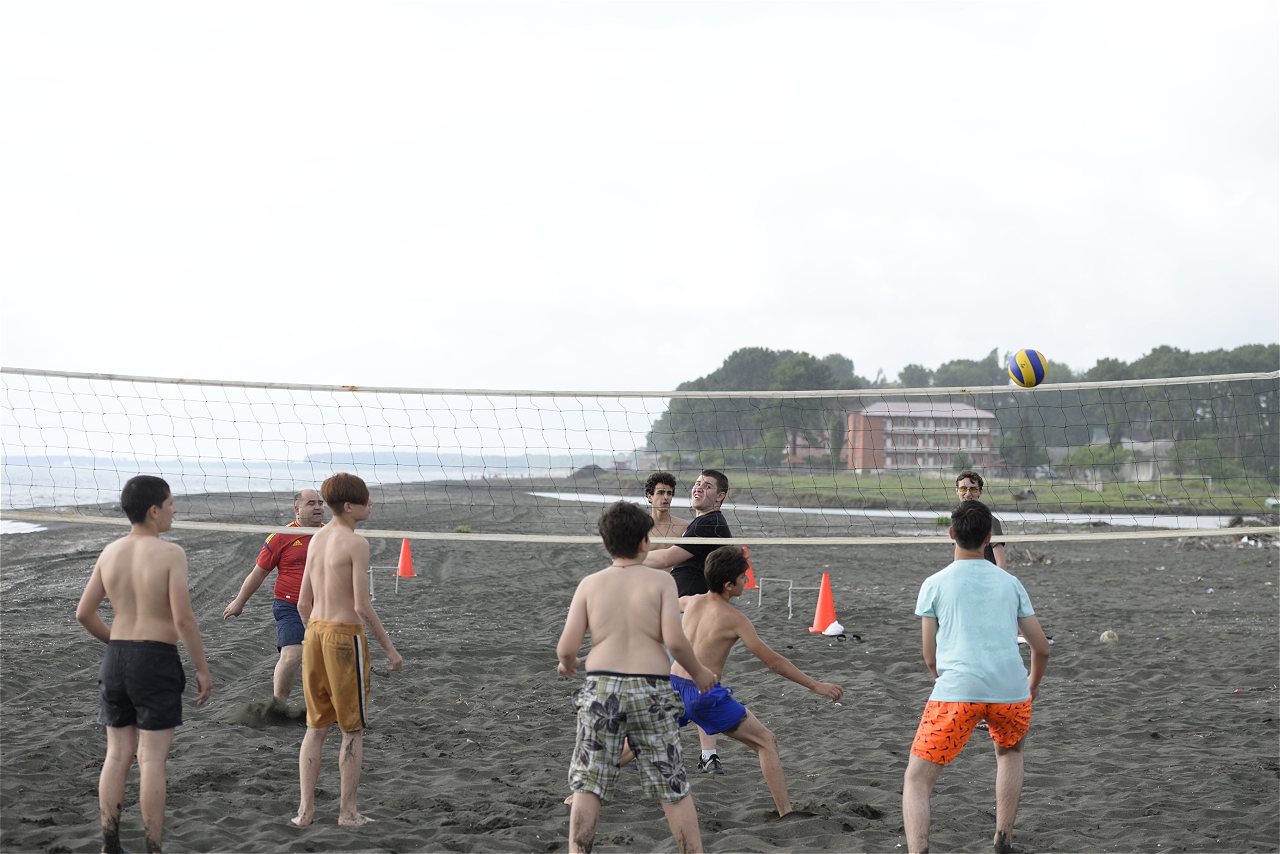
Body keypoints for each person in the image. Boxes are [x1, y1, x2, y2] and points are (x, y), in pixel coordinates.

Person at [556, 500, 717, 854]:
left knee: (588, 784)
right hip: (650, 687)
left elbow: (567, 646)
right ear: (645, 541)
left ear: (606, 542)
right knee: (672, 785)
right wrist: (699, 672)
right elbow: (675, 639)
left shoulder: (590, 584)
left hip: (602, 687)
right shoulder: (661, 581)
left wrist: (567, 663)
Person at [902, 500, 1051, 854]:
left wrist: (941, 677)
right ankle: (1003, 839)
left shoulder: (934, 584)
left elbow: (929, 656)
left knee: (917, 779)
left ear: (951, 534)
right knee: (1010, 753)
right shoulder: (1010, 583)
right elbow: (1041, 648)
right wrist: (1031, 685)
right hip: (1010, 691)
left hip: (958, 691)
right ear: (988, 539)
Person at [75, 475, 213, 854]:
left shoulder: (110, 552)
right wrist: (202, 667)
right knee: (151, 759)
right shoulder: (170, 553)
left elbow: (84, 613)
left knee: (117, 754)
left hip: (117, 658)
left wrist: (116, 642)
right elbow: (183, 620)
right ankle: (153, 847)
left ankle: (110, 844)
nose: (174, 511)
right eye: (170, 505)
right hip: (155, 658)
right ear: (153, 511)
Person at [669, 546, 843, 817]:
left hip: (672, 685)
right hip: (704, 695)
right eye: (743, 577)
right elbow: (774, 662)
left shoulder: (691, 602)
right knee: (766, 741)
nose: (747, 580)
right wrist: (815, 685)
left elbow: (664, 604)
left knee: (640, 741)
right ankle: (785, 811)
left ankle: (595, 783)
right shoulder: (735, 619)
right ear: (729, 585)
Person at [291, 473, 403, 828]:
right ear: (350, 506)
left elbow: (302, 604)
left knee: (315, 727)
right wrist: (390, 650)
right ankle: (348, 812)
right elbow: (361, 606)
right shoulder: (356, 543)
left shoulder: (316, 539)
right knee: (351, 729)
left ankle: (305, 812)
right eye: (367, 499)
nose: (372, 504)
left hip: (314, 634)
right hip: (343, 637)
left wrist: (316, 634)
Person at [644, 469, 734, 772]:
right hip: (689, 610)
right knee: (695, 682)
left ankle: (642, 749)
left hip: (692, 615)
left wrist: (626, 559)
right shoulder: (702, 522)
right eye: (697, 483)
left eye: (707, 486)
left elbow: (665, 558)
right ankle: (708, 754)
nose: (698, 488)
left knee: (677, 682)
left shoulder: (708, 523)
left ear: (720, 496)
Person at [222, 488, 326, 702]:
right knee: (292, 655)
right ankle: (279, 704)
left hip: (325, 606)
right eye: (311, 503)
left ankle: (326, 706)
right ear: (296, 509)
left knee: (329, 658)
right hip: (290, 605)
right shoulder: (280, 536)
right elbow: (259, 573)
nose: (317, 507)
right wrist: (239, 602)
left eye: (320, 503)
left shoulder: (330, 534)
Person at [955, 470, 1006, 568]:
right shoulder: (957, 519)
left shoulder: (991, 521)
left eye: (973, 489)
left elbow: (1001, 563)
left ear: (980, 492)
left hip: (986, 574)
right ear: (957, 491)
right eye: (963, 489)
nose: (968, 494)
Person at [644, 471, 689, 539]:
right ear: (650, 497)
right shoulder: (640, 527)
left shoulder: (683, 527)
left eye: (669, 493)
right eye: (660, 493)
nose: (666, 497)